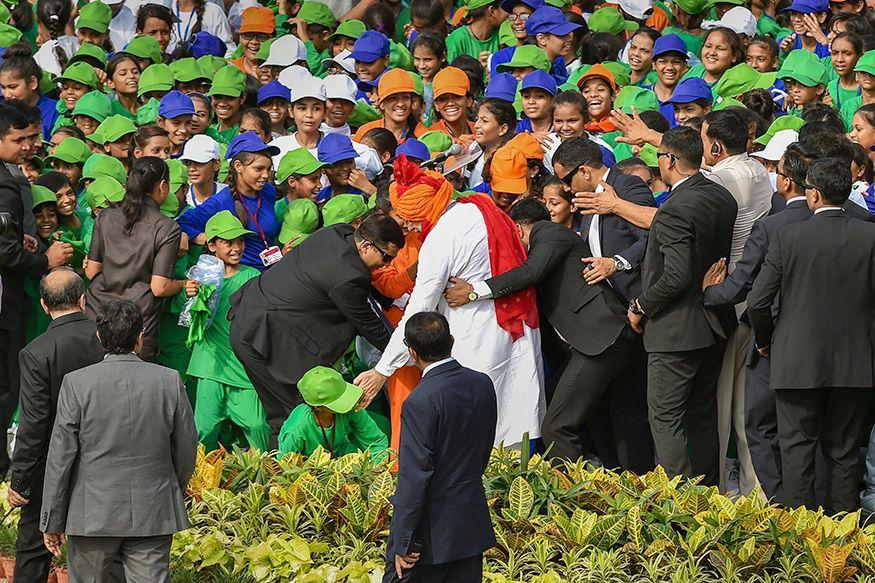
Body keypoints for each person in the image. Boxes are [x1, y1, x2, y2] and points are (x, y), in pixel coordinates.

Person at [444, 200, 651, 471]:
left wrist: (474, 291)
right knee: (602, 418)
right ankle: (620, 483)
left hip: (603, 338)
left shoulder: (549, 232)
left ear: (517, 230)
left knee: (556, 426)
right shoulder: (546, 244)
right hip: (597, 343)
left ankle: (570, 496)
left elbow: (530, 273)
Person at [354, 157, 544, 448]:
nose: (408, 226)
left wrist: (382, 370)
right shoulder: (477, 205)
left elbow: (419, 308)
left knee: (479, 432)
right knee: (514, 419)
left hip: (478, 336)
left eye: (409, 219)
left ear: (424, 209)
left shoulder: (442, 236)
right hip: (513, 323)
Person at [748, 158, 875, 513]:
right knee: (845, 453)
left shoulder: (788, 236)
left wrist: (764, 340)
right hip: (855, 363)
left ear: (813, 194)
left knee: (797, 451)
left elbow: (759, 300)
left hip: (795, 360)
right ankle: (843, 537)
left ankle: (802, 540)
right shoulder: (870, 235)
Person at [40, 300, 197, 580]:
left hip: (92, 514)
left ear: (99, 336)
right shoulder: (169, 380)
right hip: (153, 509)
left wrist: (52, 518)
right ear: (141, 336)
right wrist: (170, 486)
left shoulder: (77, 384)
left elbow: (60, 457)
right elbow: (187, 448)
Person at [229, 213, 405, 445]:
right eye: (385, 258)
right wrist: (406, 353)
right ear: (364, 245)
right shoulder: (348, 277)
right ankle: (287, 474)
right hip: (262, 336)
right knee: (298, 417)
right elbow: (372, 327)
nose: (387, 265)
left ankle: (280, 471)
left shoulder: (338, 232)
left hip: (256, 318)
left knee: (286, 415)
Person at [701, 143, 813, 502]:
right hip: (823, 345)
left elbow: (746, 286)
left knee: (756, 420)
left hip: (769, 338)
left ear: (785, 182)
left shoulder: (771, 226)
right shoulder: (849, 220)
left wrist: (708, 293)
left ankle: (768, 499)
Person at [629, 126, 738, 486]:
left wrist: (640, 304)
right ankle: (708, 497)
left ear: (670, 161)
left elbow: (676, 276)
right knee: (702, 416)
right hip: (713, 323)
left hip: (676, 330)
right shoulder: (722, 197)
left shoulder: (675, 208)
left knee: (665, 417)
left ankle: (679, 504)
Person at [383, 312, 496, 583]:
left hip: (429, 537)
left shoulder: (420, 401)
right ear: (452, 341)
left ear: (412, 353)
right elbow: (482, 451)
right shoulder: (482, 383)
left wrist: (403, 541)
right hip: (470, 524)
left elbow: (414, 477)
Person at [9, 269, 104, 583]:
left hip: (50, 465)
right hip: (104, 459)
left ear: (43, 305)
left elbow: (33, 422)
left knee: (33, 550)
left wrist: (20, 479)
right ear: (82, 299)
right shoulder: (107, 337)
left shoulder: (36, 351)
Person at [700, 108, 773, 495]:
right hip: (754, 299)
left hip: (729, 301)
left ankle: (720, 493)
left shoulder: (719, 178)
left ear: (714, 144)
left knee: (723, 407)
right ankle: (755, 493)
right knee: (747, 410)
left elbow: (674, 216)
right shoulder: (759, 170)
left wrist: (616, 206)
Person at [0, 104, 73, 478]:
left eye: (31, 137)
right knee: (4, 386)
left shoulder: (11, 175)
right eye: (18, 140)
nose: (28, 146)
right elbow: (3, 250)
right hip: (4, 302)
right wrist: (46, 261)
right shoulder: (3, 183)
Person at [84, 156, 185, 361]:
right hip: (137, 322)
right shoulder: (166, 227)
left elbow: (91, 271)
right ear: (163, 186)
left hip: (97, 315)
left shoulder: (106, 216)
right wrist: (184, 284)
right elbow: (160, 287)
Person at [185, 212, 269, 453]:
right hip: (210, 364)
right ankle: (200, 481)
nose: (237, 248)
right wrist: (189, 294)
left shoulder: (252, 277)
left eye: (240, 241)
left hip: (243, 365)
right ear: (211, 245)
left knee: (258, 425)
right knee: (204, 429)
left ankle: (261, 480)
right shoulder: (198, 277)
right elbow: (189, 319)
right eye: (228, 242)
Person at [277, 366, 389, 458]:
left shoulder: (350, 407)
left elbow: (376, 441)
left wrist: (377, 471)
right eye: (338, 401)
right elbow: (284, 464)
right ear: (318, 407)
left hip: (344, 458)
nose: (347, 402)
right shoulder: (298, 428)